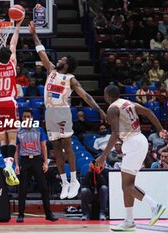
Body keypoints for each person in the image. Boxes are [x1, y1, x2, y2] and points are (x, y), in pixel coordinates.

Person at [29, 21, 106, 199]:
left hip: (62, 111)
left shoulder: (70, 79)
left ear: (67, 65)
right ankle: (64, 183)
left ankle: (74, 180)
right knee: (55, 148)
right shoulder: (50, 70)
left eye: (62, 59)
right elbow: (41, 52)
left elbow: (86, 96)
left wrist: (100, 111)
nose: (59, 59)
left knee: (67, 146)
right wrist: (33, 34)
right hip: (50, 113)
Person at [96, 85, 167, 231]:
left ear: (107, 96)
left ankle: (155, 206)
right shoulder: (128, 103)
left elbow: (115, 134)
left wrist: (103, 157)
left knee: (127, 186)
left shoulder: (112, 108)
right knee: (127, 185)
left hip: (132, 142)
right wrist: (160, 129)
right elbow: (147, 111)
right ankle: (129, 220)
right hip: (140, 139)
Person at [0, 16, 25, 186]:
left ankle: (6, 164)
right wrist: (17, 27)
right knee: (12, 138)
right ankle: (9, 164)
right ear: (9, 57)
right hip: (9, 102)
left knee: (2, 140)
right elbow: (13, 45)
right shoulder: (12, 64)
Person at [14, 109, 58, 223]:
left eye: (28, 116)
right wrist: (17, 164)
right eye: (24, 116)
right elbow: (16, 149)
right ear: (22, 118)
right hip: (24, 161)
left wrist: (45, 162)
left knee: (44, 188)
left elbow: (44, 147)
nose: (26, 118)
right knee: (22, 189)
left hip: (37, 160)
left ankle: (49, 214)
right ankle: (20, 215)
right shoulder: (18, 131)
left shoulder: (39, 130)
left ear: (32, 117)